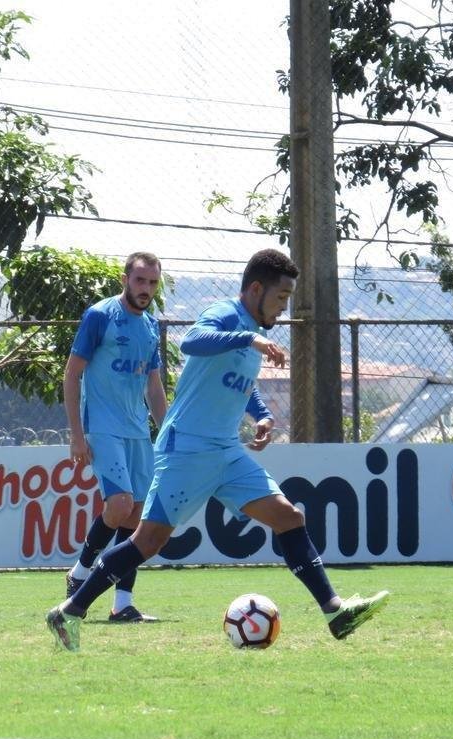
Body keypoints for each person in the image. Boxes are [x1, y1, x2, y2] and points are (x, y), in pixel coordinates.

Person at [46, 249, 389, 651]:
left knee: (289, 516)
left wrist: (260, 415)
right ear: (256, 289)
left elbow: (237, 381)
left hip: (225, 450)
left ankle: (335, 612)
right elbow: (193, 341)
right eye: (280, 297)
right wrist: (250, 337)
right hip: (187, 448)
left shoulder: (252, 333)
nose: (283, 307)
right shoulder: (227, 315)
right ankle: (69, 611)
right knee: (147, 541)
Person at [62, 251, 168, 623]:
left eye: (153, 282)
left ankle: (122, 604)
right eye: (140, 280)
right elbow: (72, 375)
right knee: (120, 505)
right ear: (125, 279)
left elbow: (153, 386)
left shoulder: (151, 326)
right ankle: (80, 573)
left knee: (136, 514)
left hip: (138, 430)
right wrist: (77, 435)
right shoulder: (100, 316)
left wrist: (166, 432)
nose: (146, 289)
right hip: (103, 427)